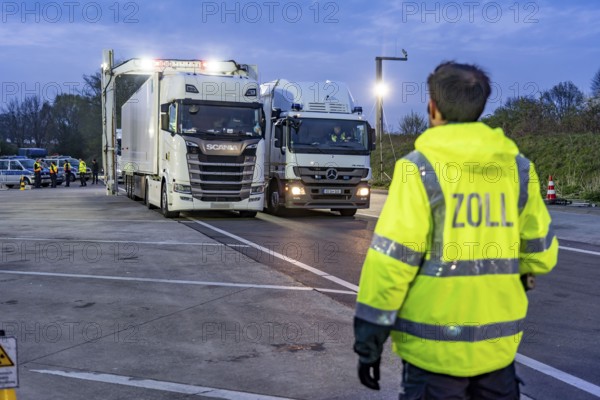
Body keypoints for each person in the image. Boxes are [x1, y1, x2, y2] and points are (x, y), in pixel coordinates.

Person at [353, 61, 559, 399]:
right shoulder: (519, 169)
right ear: (480, 106)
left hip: (432, 356)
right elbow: (541, 254)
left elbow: (390, 266)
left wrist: (368, 342)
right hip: (497, 352)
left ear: (432, 108)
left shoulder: (417, 170)